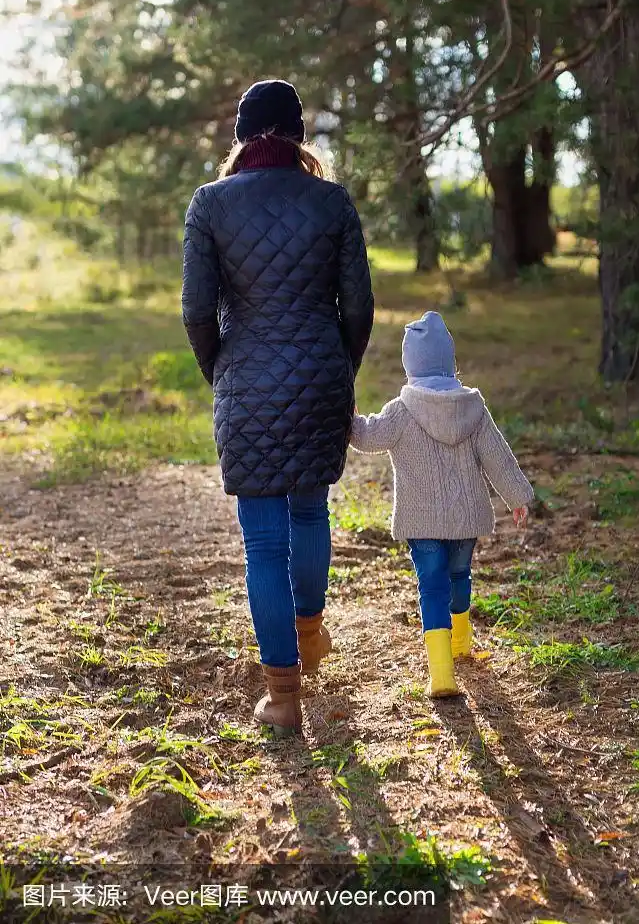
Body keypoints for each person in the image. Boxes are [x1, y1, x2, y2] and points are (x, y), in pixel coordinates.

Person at [182, 79, 374, 735]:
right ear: (297, 134)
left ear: (242, 135)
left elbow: (195, 310)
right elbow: (360, 307)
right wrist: (336, 368)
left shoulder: (209, 205)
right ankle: (310, 633)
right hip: (321, 372)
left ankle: (284, 697)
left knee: (263, 542)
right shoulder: (332, 201)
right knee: (310, 507)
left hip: (248, 381)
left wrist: (223, 370)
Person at [349, 311, 533, 698]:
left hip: (423, 521)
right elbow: (498, 457)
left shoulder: (401, 410)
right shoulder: (473, 408)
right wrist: (518, 497)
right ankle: (461, 644)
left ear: (409, 366)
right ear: (450, 363)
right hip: (466, 520)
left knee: (431, 587)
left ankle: (442, 672)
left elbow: (368, 437)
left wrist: (347, 417)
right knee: (459, 577)